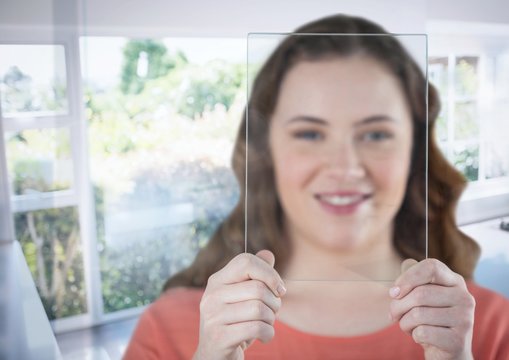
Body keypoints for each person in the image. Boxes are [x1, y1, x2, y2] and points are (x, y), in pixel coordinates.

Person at [124, 14, 509, 360]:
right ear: (266, 152)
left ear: (414, 152)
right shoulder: (169, 331)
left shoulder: (489, 328)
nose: (344, 167)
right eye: (309, 133)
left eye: (375, 134)